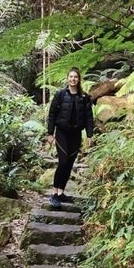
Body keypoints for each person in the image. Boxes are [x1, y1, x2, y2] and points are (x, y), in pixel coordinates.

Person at [47, 67, 94, 208]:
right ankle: (54, 193)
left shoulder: (84, 98)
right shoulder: (60, 95)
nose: (73, 79)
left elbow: (88, 118)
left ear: (79, 79)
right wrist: (50, 133)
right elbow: (52, 114)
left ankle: (61, 193)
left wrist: (90, 135)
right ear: (67, 78)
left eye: (76, 77)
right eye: (71, 76)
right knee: (63, 162)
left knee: (69, 164)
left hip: (76, 134)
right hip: (62, 133)